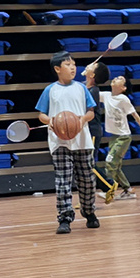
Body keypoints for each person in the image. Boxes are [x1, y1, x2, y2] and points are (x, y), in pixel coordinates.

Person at [35, 51, 98, 233]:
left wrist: (81, 120)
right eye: (68, 65)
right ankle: (65, 218)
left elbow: (91, 112)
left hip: (82, 141)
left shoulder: (81, 88)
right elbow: (41, 114)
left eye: (74, 64)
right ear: (57, 69)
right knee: (63, 180)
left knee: (87, 180)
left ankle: (89, 212)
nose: (73, 67)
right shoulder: (50, 90)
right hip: (59, 141)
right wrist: (51, 121)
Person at [96, 71, 140, 202]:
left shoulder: (123, 99)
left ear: (123, 88)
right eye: (116, 77)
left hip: (123, 137)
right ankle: (128, 190)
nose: (116, 78)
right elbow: (89, 93)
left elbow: (135, 115)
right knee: (116, 166)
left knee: (110, 162)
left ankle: (109, 189)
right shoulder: (106, 96)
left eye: (120, 79)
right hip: (113, 137)